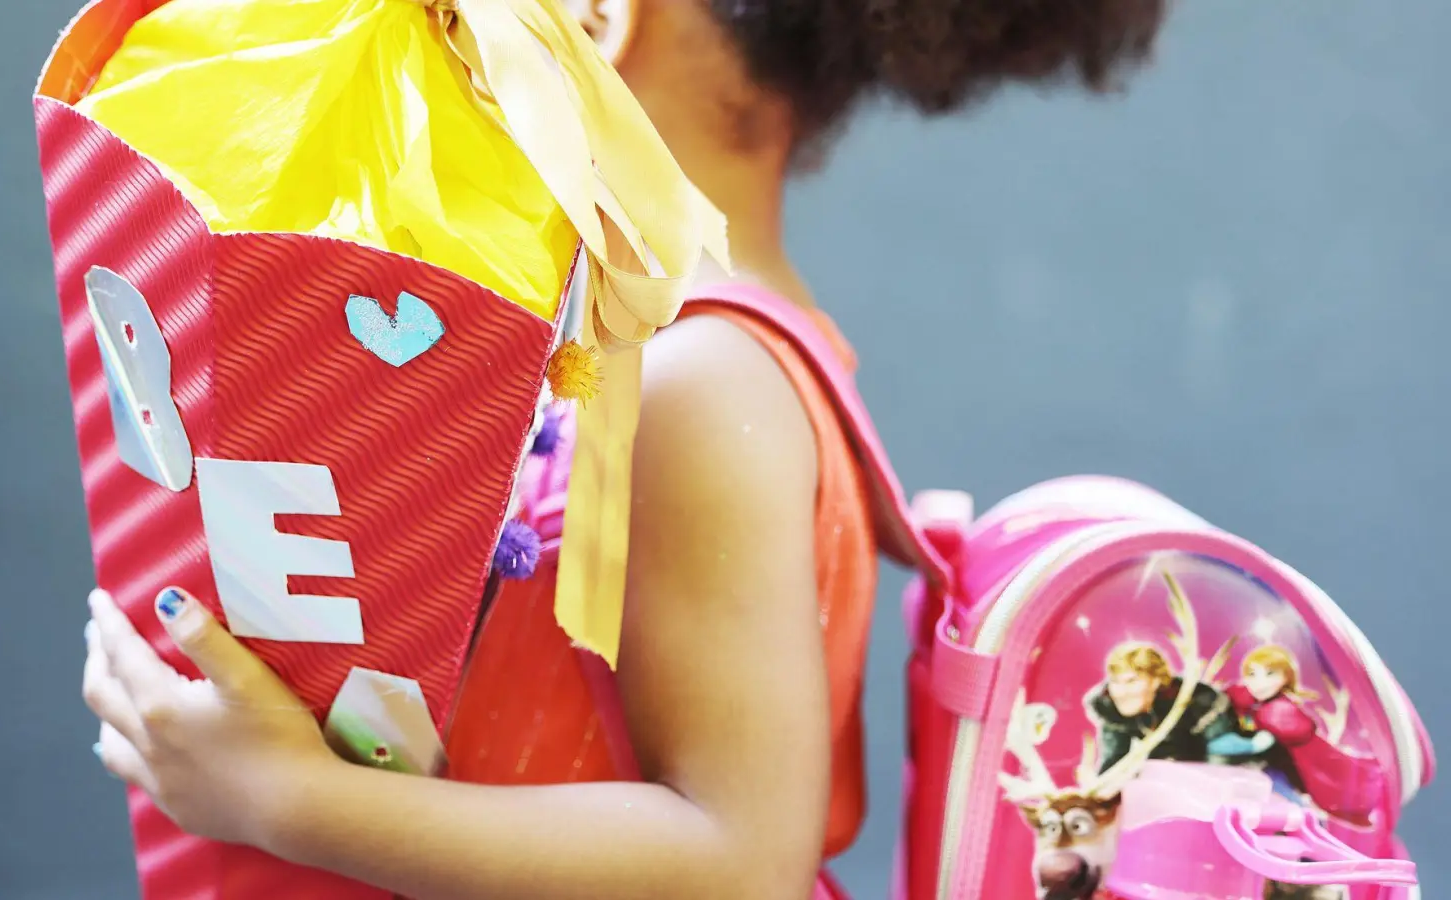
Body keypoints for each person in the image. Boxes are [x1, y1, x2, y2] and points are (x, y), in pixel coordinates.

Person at [80, 0, 1169, 896]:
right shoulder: (669, 348)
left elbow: (740, 862)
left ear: (600, 16)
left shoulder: (696, 376)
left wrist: (283, 799)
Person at [1225, 644, 1385, 825]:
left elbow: (1282, 732)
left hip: (1285, 772)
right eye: (1252, 674)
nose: (1259, 683)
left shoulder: (1279, 712)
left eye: (1270, 674)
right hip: (1271, 769)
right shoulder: (1256, 703)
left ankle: (1312, 827)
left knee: (1295, 809)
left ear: (1285, 677)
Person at [1085, 642, 1233, 773]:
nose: (1121, 692)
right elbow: (1113, 763)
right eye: (1115, 682)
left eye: (1131, 681)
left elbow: (1222, 763)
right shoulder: (1111, 710)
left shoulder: (1200, 705)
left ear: (1155, 681)